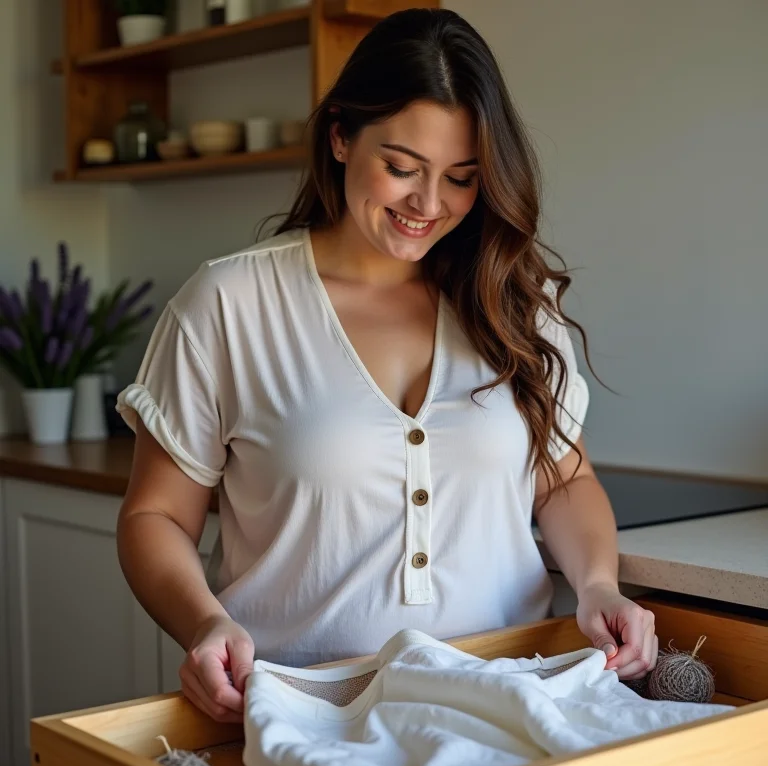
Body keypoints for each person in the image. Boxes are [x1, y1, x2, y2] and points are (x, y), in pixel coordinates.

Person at [115, 8, 658, 725]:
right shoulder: (228, 305)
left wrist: (596, 586)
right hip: (307, 711)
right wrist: (204, 623)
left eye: (461, 178)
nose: (428, 205)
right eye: (401, 168)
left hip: (512, 702)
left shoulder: (513, 300)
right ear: (340, 136)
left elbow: (565, 478)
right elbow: (154, 515)